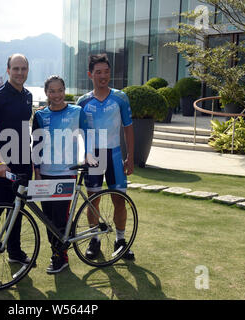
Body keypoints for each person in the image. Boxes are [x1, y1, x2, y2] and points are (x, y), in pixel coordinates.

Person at [76, 53, 136, 261]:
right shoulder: (83, 102)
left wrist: (131, 158)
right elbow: (77, 133)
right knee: (93, 200)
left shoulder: (120, 97)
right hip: (93, 156)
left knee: (119, 200)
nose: (103, 76)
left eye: (106, 72)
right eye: (98, 72)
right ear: (90, 74)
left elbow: (128, 129)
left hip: (115, 153)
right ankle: (95, 239)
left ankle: (121, 240)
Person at [0, 53, 33, 282]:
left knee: (18, 210)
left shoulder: (29, 96)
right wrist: (0, 162)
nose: (20, 72)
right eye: (16, 68)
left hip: (23, 164)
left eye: (23, 68)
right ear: (8, 69)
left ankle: (14, 251)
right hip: (2, 167)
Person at [32, 75, 88, 274]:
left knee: (61, 217)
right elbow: (36, 145)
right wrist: (36, 170)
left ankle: (61, 257)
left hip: (67, 173)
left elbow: (87, 134)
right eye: (52, 91)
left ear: (64, 90)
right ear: (46, 93)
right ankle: (55, 252)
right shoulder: (40, 116)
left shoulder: (77, 111)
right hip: (46, 173)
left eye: (60, 90)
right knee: (48, 218)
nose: (56, 95)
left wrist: (88, 155)